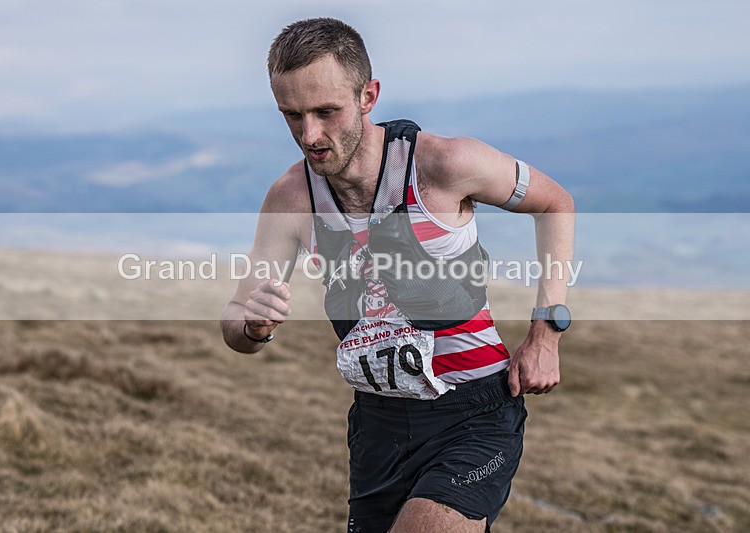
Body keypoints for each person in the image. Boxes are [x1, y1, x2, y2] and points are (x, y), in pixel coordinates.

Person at [221, 17, 575, 533]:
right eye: (292, 115)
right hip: (377, 424)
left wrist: (546, 331)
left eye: (327, 112)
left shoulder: (444, 164)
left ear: (369, 95)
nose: (310, 135)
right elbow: (235, 322)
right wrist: (252, 326)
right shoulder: (291, 199)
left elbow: (556, 204)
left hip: (474, 413)